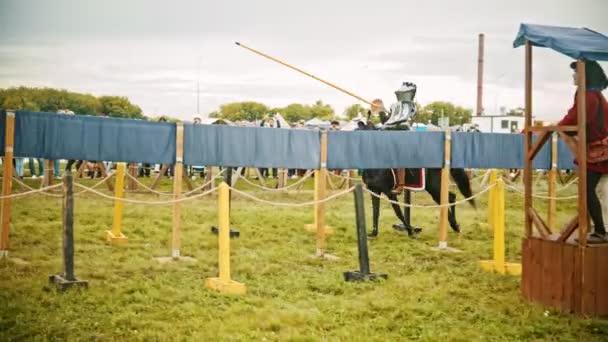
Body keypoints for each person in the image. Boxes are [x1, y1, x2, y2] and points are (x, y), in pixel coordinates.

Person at [558, 60, 608, 243]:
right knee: (600, 191)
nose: (574, 75)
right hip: (598, 149)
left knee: (587, 190)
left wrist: (557, 127)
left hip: (599, 152)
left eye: (577, 71)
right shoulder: (591, 94)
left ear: (585, 75)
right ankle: (598, 229)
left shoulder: (589, 96)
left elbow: (574, 119)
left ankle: (601, 232)